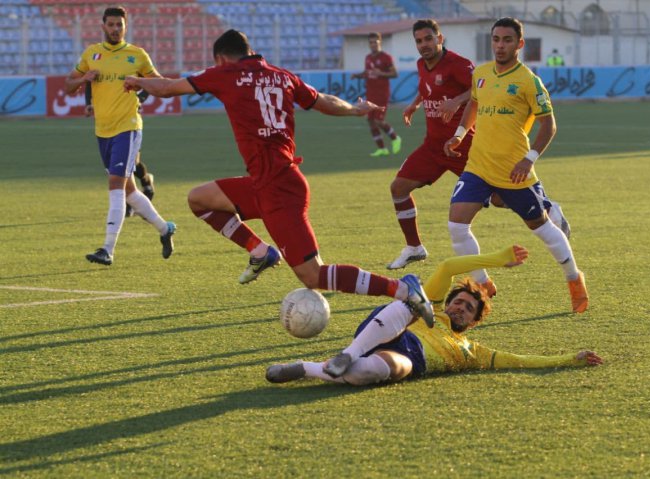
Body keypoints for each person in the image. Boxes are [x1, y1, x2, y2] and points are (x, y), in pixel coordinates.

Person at [122, 29, 434, 324]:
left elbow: (164, 88)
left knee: (313, 275)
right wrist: (354, 109)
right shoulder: (282, 76)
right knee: (199, 199)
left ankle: (402, 289)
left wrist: (136, 80)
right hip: (267, 182)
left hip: (279, 190)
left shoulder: (224, 74)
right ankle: (260, 251)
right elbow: (322, 101)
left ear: (220, 58)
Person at [388, 19, 570, 284]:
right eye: (419, 41)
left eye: (429, 39)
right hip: (434, 146)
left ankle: (545, 206)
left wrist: (455, 103)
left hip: (465, 147)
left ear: (440, 38)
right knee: (398, 187)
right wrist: (415, 105)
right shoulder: (420, 64)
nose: (424, 45)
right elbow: (426, 88)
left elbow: (475, 91)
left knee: (498, 198)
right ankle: (414, 247)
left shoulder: (460, 65)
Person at [266, 245, 603, 386]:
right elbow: (447, 267)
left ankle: (308, 369)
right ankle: (347, 355)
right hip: (388, 325)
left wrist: (570, 358)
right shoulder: (435, 312)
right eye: (457, 301)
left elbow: (520, 360)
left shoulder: (473, 352)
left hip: (402, 356)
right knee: (414, 301)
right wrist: (499, 259)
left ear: (472, 323)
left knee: (384, 370)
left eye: (467, 308)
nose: (458, 307)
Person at [443, 17, 588, 313]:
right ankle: (483, 284)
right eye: (496, 39)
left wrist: (528, 159)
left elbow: (549, 125)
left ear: (519, 44)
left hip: (514, 170)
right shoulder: (481, 74)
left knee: (541, 228)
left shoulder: (528, 81)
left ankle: (574, 279)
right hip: (478, 166)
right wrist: (459, 135)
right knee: (457, 225)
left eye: (507, 40)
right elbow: (474, 103)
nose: (500, 45)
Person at [64, 6, 175, 266]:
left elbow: (159, 84)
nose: (115, 29)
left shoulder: (136, 55)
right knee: (129, 191)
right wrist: (85, 79)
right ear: (103, 26)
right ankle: (165, 228)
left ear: (125, 27)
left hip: (128, 126)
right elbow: (69, 85)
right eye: (111, 24)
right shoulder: (91, 54)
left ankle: (107, 249)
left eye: (119, 25)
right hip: (103, 130)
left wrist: (141, 88)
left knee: (115, 185)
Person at [85, 83, 156, 217]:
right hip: (108, 123)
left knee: (131, 164)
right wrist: (89, 102)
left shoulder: (132, 62)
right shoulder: (99, 63)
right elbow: (90, 82)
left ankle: (144, 185)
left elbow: (150, 80)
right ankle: (131, 201)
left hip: (129, 120)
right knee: (119, 165)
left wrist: (141, 98)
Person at [350, 32, 401, 157]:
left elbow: (395, 74)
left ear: (380, 42)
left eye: (375, 42)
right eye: (371, 42)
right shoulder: (368, 58)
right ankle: (382, 149)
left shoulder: (386, 57)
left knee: (378, 120)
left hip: (382, 93)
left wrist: (381, 73)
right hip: (370, 93)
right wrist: (357, 75)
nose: (373, 44)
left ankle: (395, 138)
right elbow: (367, 72)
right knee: (370, 120)